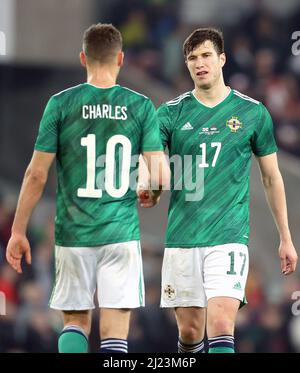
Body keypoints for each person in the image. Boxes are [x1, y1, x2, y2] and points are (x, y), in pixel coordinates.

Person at [6, 23, 167, 353]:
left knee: (75, 323)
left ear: (83, 58)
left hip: (74, 235)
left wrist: (18, 230)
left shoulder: (61, 104)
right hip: (120, 235)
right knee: (115, 333)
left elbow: (36, 175)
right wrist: (151, 192)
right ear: (121, 59)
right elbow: (160, 173)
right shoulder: (140, 106)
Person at [138, 28, 298, 353]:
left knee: (223, 323)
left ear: (222, 59)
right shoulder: (170, 113)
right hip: (183, 237)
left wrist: (285, 237)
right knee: (190, 330)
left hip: (229, 236)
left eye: (206, 55)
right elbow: (151, 157)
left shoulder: (252, 113)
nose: (200, 63)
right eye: (192, 58)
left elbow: (271, 177)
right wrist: (147, 183)